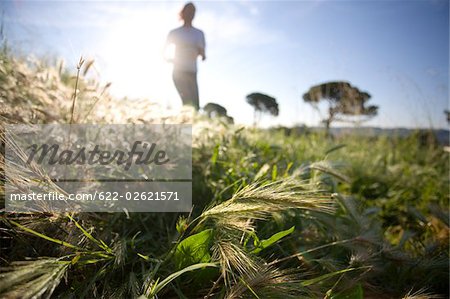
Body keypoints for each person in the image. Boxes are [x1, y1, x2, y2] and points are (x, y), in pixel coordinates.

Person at [165, 2, 206, 111]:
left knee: (195, 106)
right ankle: (186, 125)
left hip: (192, 72)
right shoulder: (174, 32)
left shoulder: (199, 33)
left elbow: (203, 55)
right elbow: (164, 50)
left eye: (193, 12)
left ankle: (192, 126)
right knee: (187, 103)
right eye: (188, 11)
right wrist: (170, 60)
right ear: (182, 13)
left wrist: (199, 53)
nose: (190, 14)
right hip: (178, 71)